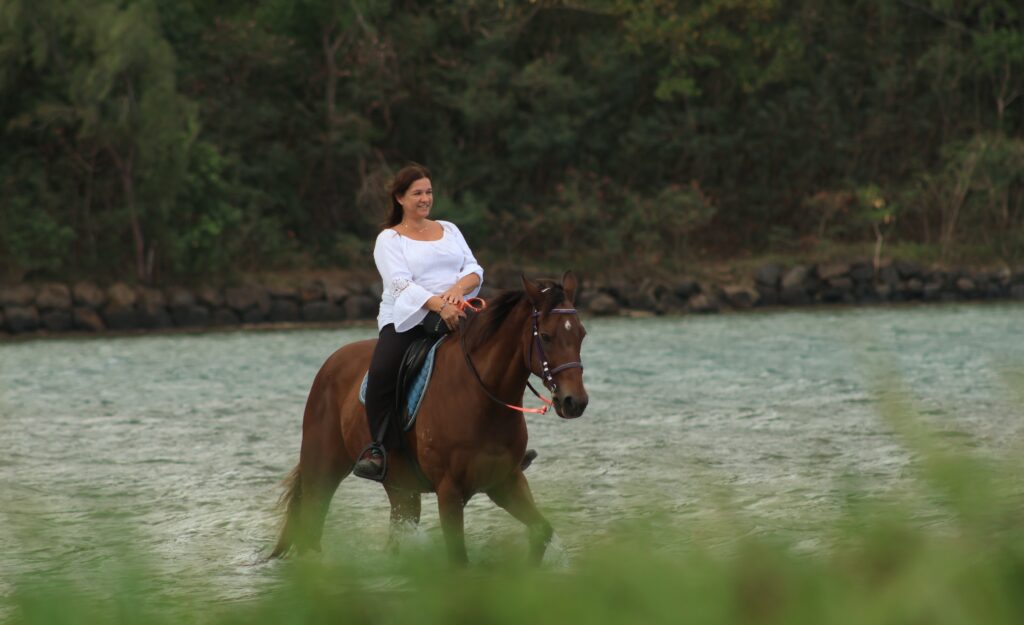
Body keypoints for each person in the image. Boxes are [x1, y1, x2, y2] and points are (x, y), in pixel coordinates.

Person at [353, 164, 484, 480]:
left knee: (499, 352)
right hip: (407, 317)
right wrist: (440, 305)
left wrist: (455, 292)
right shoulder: (389, 239)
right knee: (384, 370)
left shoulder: (449, 229)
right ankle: (378, 448)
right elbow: (399, 284)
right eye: (417, 193)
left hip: (457, 308)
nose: (425, 199)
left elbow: (474, 268)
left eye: (428, 192)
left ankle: (504, 443)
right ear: (400, 198)